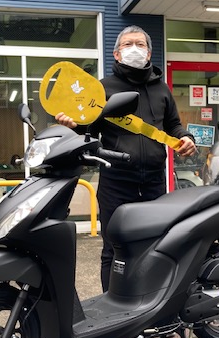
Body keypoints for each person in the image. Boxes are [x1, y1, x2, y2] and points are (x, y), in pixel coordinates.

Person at [55, 25, 196, 291]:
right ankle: (111, 306)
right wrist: (73, 125)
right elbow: (88, 129)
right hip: (116, 183)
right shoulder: (103, 88)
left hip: (154, 182)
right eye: (128, 44)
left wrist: (185, 137)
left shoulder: (162, 89)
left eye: (140, 44)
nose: (134, 49)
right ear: (117, 54)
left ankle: (151, 304)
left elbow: (173, 125)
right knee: (113, 248)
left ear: (149, 53)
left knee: (156, 246)